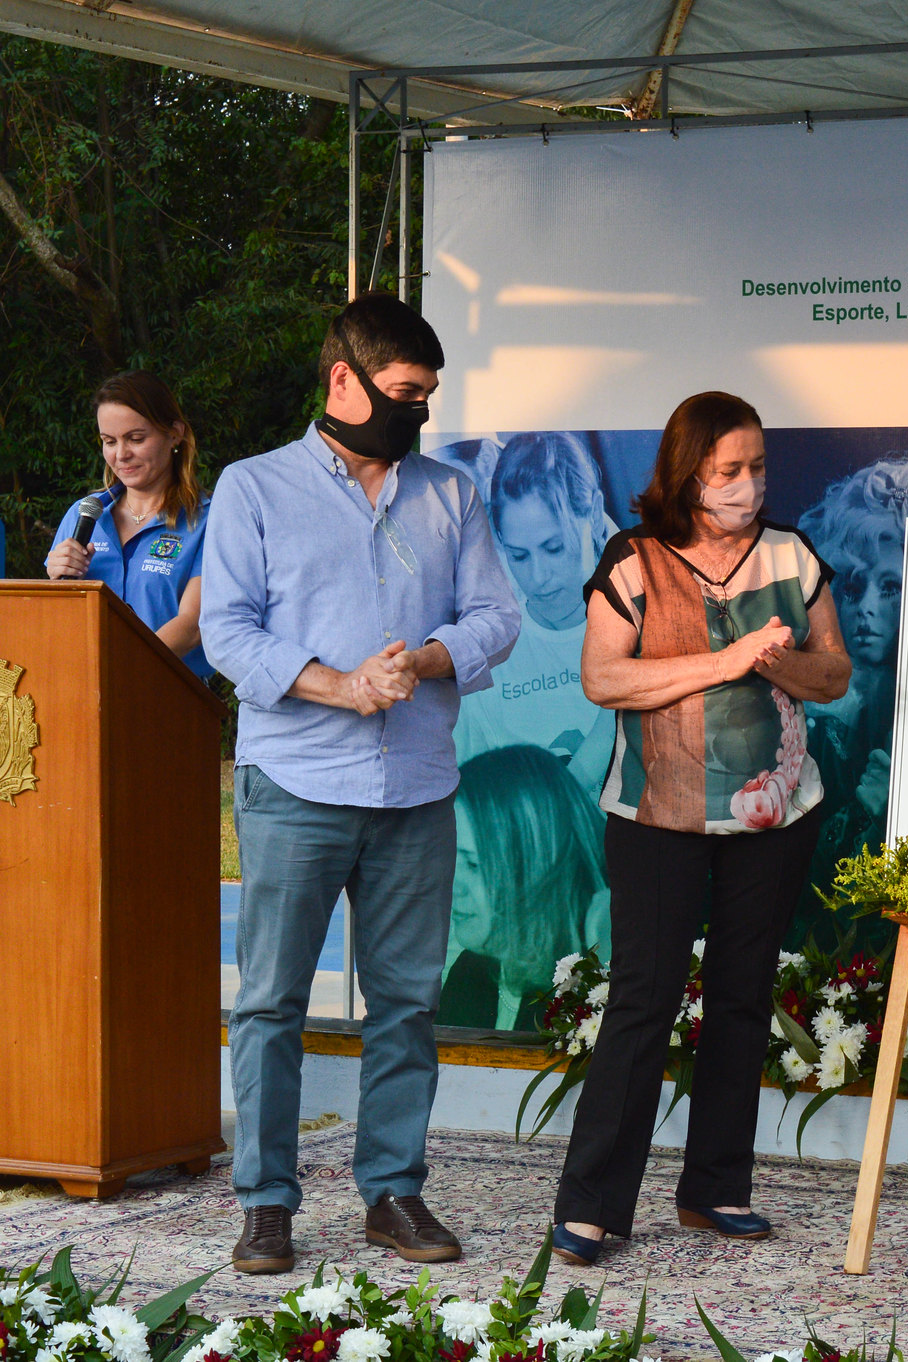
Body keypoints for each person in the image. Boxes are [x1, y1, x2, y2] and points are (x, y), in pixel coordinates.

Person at [202, 293, 522, 1276]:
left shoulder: (449, 494)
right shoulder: (253, 488)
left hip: (415, 788)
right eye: (403, 393)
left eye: (427, 396)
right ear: (343, 379)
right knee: (269, 1004)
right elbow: (228, 631)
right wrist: (339, 685)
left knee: (405, 1005)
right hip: (296, 782)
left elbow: (497, 617)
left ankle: (392, 1192)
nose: (418, 412)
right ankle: (265, 1206)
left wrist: (425, 661)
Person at [551, 391, 850, 1265]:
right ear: (687, 473)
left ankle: (716, 1188)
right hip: (657, 816)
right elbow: (604, 680)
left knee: (743, 997)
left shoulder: (793, 556)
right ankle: (593, 1204)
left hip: (775, 815)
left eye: (757, 468)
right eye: (729, 472)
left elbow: (832, 676)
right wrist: (723, 661)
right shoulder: (634, 559)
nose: (748, 486)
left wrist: (777, 659)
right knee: (644, 1004)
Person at [796, 456, 908, 903]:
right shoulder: (816, 721)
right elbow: (808, 877)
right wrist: (867, 810)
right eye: (854, 588)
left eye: (891, 588)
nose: (867, 609)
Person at [452, 431, 616, 791]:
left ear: (594, 512)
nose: (538, 578)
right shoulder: (490, 653)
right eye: (520, 556)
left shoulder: (649, 619)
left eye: (554, 548)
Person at [46, 371, 212, 677]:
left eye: (136, 438)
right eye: (109, 441)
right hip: (80, 690)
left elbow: (192, 625)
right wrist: (55, 581)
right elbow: (57, 624)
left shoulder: (208, 519)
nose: (121, 454)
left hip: (167, 698)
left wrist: (119, 673)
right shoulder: (84, 515)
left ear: (174, 433)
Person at [441, 743, 613, 1030]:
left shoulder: (591, 994)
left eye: (473, 865)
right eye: (450, 858)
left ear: (538, 866)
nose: (452, 886)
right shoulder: (471, 972)